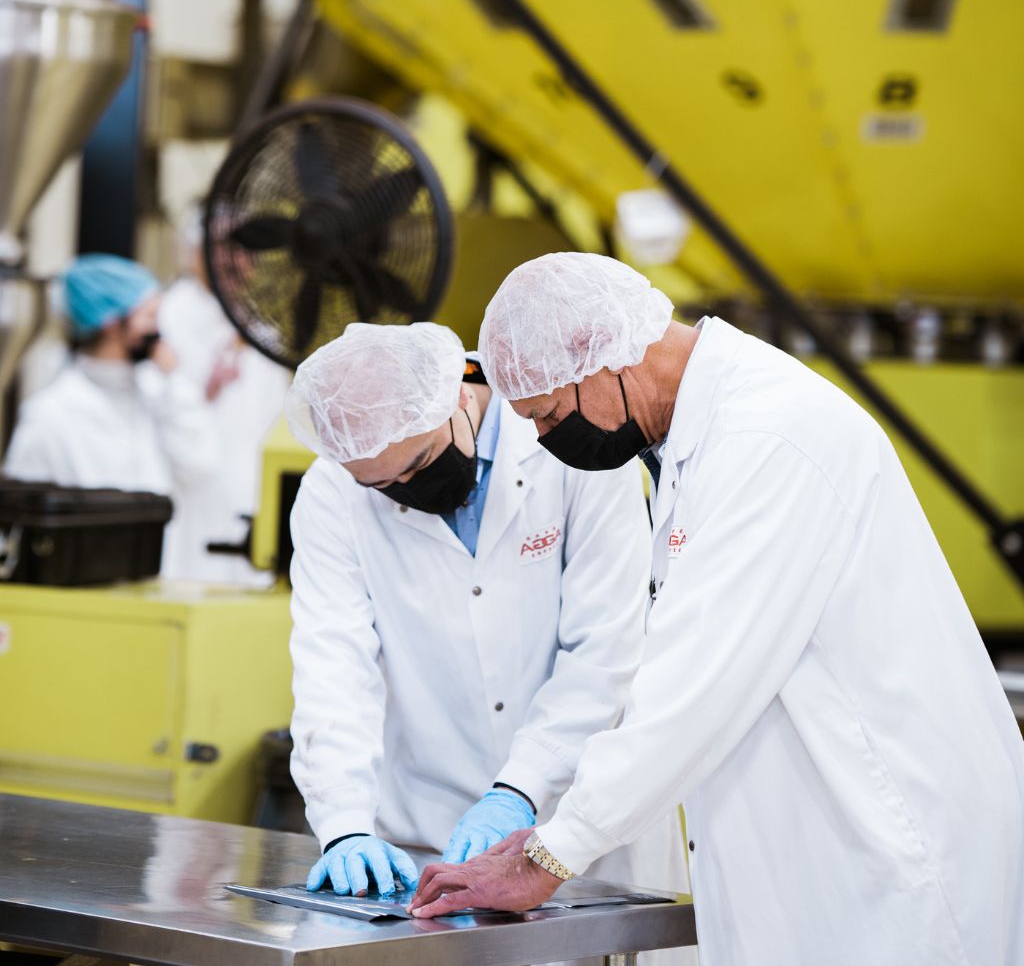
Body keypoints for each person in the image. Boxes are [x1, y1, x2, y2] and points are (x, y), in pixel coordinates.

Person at [410, 253, 1024, 966]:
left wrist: (549, 852)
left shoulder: (770, 436)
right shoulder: (705, 435)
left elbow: (693, 683)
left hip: (894, 856)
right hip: (817, 865)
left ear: (602, 359)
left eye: (547, 416)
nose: (548, 441)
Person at [285, 321, 689, 948]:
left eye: (418, 462)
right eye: (382, 485)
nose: (407, 490)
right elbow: (333, 667)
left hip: (582, 828)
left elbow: (605, 651)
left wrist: (518, 790)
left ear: (456, 394)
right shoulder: (331, 492)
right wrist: (342, 824)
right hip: (427, 833)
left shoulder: (572, 447)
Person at [3, 254, 217, 573]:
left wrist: (174, 383)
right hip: (87, 596)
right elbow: (17, 523)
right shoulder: (51, 415)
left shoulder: (156, 396)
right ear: (111, 323)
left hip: (158, 582)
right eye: (149, 316)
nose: (158, 331)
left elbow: (201, 468)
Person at [158, 209, 291, 584]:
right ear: (193, 254)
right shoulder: (169, 317)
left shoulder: (260, 326)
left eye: (246, 251)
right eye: (224, 251)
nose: (238, 262)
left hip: (250, 488)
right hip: (190, 492)